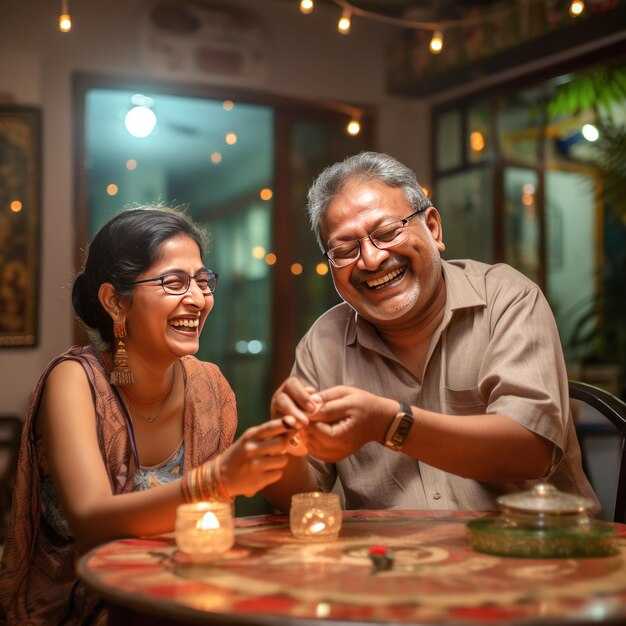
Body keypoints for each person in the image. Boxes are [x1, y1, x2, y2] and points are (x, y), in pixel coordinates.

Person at [0, 206, 298, 626]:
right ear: (115, 302)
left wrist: (293, 437)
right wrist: (219, 479)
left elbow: (237, 524)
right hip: (79, 610)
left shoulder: (210, 386)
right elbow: (91, 521)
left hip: (182, 601)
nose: (196, 298)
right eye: (174, 282)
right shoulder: (74, 382)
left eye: (202, 280)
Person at [263, 151, 598, 515]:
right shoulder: (323, 342)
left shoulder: (507, 298)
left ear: (434, 228)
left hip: (534, 553)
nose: (371, 260)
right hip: (391, 562)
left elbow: (532, 450)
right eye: (345, 250)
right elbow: (302, 499)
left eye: (387, 232)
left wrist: (390, 423)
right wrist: (285, 444)